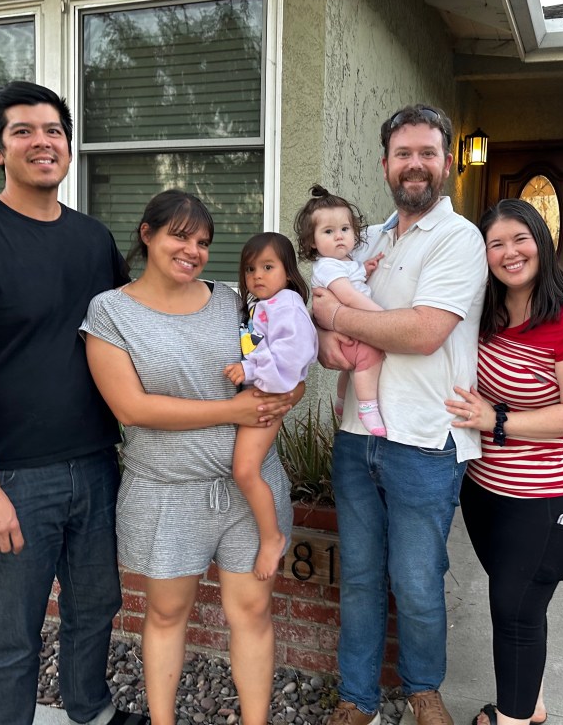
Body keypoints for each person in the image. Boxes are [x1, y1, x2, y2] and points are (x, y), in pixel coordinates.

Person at [0, 81, 146, 725]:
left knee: (95, 607)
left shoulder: (92, 239)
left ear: (68, 146)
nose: (43, 142)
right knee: (14, 634)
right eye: (23, 131)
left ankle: (90, 708)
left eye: (53, 131)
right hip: (10, 475)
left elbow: (134, 331)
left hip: (94, 463)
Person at [79, 191, 301, 725]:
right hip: (168, 492)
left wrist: (289, 393)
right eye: (180, 236)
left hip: (251, 489)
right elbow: (131, 408)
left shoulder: (233, 300)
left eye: (203, 242)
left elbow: (286, 355)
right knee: (166, 612)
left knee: (252, 611)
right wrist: (233, 411)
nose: (193, 250)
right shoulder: (110, 311)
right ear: (147, 234)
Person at [311, 104, 488, 725]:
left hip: (425, 440)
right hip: (356, 436)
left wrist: (337, 317)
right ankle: (357, 696)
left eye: (427, 153)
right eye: (403, 153)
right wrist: (324, 331)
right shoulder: (368, 240)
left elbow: (423, 332)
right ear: (385, 163)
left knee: (416, 580)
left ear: (447, 163)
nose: (415, 164)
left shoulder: (458, 239)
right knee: (360, 577)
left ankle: (423, 689)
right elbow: (321, 307)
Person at [443, 199, 563, 725]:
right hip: (485, 488)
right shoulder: (486, 312)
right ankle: (530, 703)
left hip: (546, 496)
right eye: (496, 243)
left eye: (520, 238)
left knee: (516, 610)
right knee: (517, 605)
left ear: (542, 240)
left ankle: (512, 718)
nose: (509, 253)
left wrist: (496, 419)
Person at [223, 232, 318, 580]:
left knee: (245, 470)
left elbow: (289, 365)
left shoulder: (288, 307)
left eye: (267, 267)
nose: (257, 276)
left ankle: (271, 537)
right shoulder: (266, 305)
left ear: (288, 272)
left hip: (265, 397)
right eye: (250, 269)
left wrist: (249, 370)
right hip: (259, 392)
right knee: (244, 469)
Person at [294, 184, 386, 436]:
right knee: (370, 354)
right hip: (346, 326)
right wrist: (382, 315)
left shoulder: (343, 262)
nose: (339, 236)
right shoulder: (327, 266)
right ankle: (367, 407)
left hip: (346, 325)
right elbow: (348, 295)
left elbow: (353, 278)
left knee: (351, 367)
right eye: (328, 231)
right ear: (312, 242)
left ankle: (342, 400)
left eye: (345, 229)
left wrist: (365, 269)